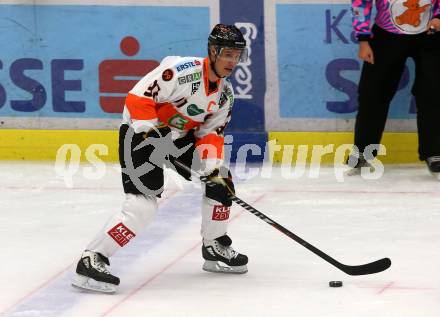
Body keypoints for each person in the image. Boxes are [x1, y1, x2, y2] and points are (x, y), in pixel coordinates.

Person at [72, 24, 250, 294]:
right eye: (227, 54)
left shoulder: (224, 95)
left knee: (220, 182)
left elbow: (210, 133)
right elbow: (138, 98)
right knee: (142, 207)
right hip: (140, 133)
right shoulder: (181, 71)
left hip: (177, 138)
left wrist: (211, 168)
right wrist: (150, 130)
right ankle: (92, 259)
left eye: (237, 56)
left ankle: (214, 246)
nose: (232, 61)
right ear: (213, 51)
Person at [348, 0, 440, 179]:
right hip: (386, 36)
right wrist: (363, 38)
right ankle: (363, 153)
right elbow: (361, 3)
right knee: (372, 94)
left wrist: (438, 17)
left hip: (431, 34)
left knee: (433, 92)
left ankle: (435, 152)